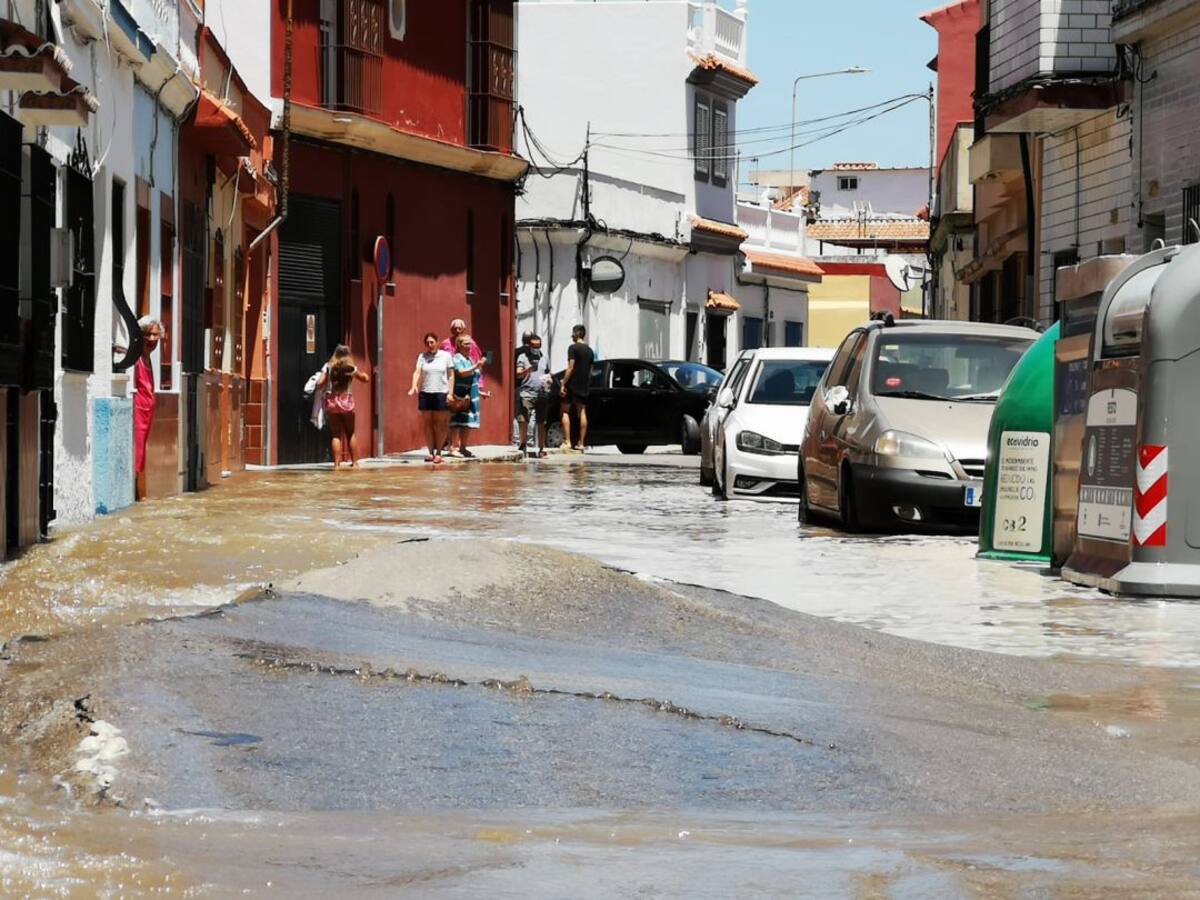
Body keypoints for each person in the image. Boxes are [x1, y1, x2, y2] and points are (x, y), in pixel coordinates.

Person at [315, 344, 369, 469]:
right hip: (346, 402)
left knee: (335, 435)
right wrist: (362, 375)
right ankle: (355, 463)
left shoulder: (329, 367)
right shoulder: (350, 368)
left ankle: (337, 465)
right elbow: (364, 379)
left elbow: (319, 384)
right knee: (351, 433)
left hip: (332, 402)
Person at [409, 332, 455, 463]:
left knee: (440, 424)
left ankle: (439, 452)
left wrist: (450, 393)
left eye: (432, 342)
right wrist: (414, 386)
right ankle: (430, 452)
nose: (429, 345)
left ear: (437, 342)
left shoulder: (445, 356)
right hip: (426, 392)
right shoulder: (422, 357)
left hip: (441, 392)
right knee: (427, 424)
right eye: (427, 343)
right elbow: (417, 372)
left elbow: (451, 375)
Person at [133, 316, 162, 498]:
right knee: (137, 453)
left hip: (146, 413)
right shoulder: (136, 358)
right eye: (148, 335)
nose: (152, 340)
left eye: (156, 336)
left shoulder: (147, 358)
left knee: (141, 453)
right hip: (138, 412)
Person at [560, 324, 594, 452]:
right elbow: (591, 371)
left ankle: (567, 441)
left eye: (573, 333)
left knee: (564, 411)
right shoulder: (590, 351)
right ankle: (581, 443)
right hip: (583, 385)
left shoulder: (572, 348)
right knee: (582, 412)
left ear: (577, 334)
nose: (571, 336)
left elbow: (571, 367)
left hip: (572, 384)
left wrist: (563, 383)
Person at [449, 333, 484, 457]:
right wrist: (477, 366)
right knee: (457, 421)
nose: (469, 346)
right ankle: (454, 447)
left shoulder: (470, 359)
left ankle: (463, 447)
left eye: (470, 343)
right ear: (459, 345)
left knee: (467, 422)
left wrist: (481, 392)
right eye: (466, 343)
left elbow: (473, 378)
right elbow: (461, 373)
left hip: (471, 395)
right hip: (460, 394)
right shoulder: (457, 358)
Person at [516, 333, 551, 457]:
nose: (536, 348)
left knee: (542, 421)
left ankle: (541, 447)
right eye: (534, 345)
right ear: (529, 345)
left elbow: (547, 372)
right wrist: (527, 370)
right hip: (527, 392)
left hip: (542, 393)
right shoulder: (522, 357)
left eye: (538, 345)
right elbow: (518, 374)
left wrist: (548, 380)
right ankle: (523, 444)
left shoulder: (544, 357)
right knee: (524, 419)